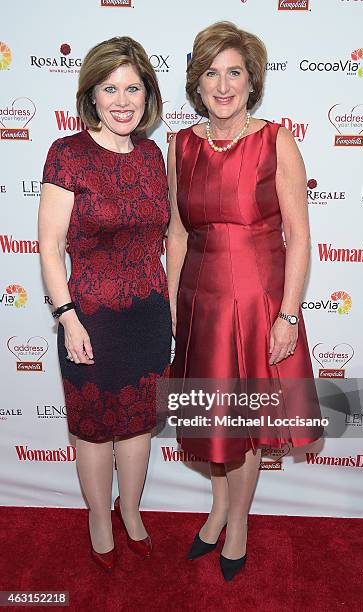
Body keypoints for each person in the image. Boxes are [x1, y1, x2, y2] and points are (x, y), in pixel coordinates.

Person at [167, 21, 323, 581]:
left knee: (246, 421)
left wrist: (288, 314)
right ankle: (217, 509)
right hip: (200, 303)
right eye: (211, 72)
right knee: (213, 420)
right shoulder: (180, 145)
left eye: (234, 72)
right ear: (197, 82)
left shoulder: (275, 140)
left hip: (258, 302)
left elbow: (299, 236)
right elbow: (179, 235)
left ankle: (238, 524)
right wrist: (172, 310)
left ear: (251, 81)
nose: (223, 84)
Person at [38, 36, 171, 572]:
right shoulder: (67, 154)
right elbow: (49, 248)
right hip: (87, 318)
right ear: (91, 95)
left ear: (147, 95)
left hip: (148, 315)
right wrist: (66, 317)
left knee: (139, 424)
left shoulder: (152, 154)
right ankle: (99, 518)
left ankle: (131, 511)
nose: (122, 99)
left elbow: (168, 238)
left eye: (133, 87)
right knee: (93, 427)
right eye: (110, 88)